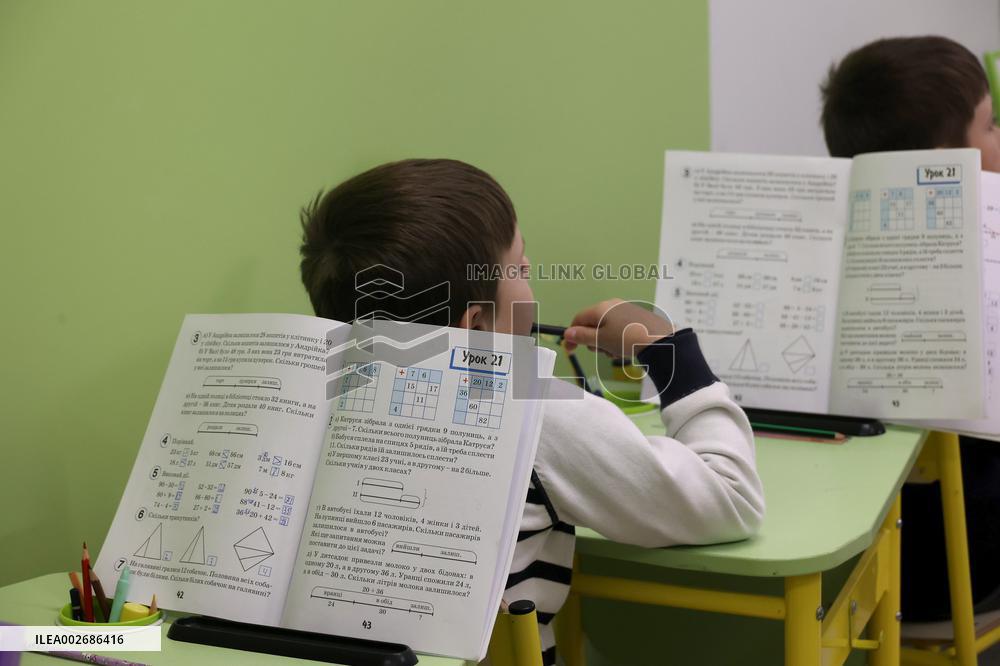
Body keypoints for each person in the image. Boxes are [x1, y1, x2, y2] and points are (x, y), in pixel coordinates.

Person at [299, 158, 765, 662]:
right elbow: (731, 499)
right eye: (520, 268)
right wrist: (669, 353)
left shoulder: (304, 396)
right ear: (475, 326)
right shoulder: (535, 414)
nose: (529, 279)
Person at [822, 35, 1000, 621]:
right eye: (992, 125)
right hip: (963, 569)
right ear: (949, 162)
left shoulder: (825, 250)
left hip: (840, 569)